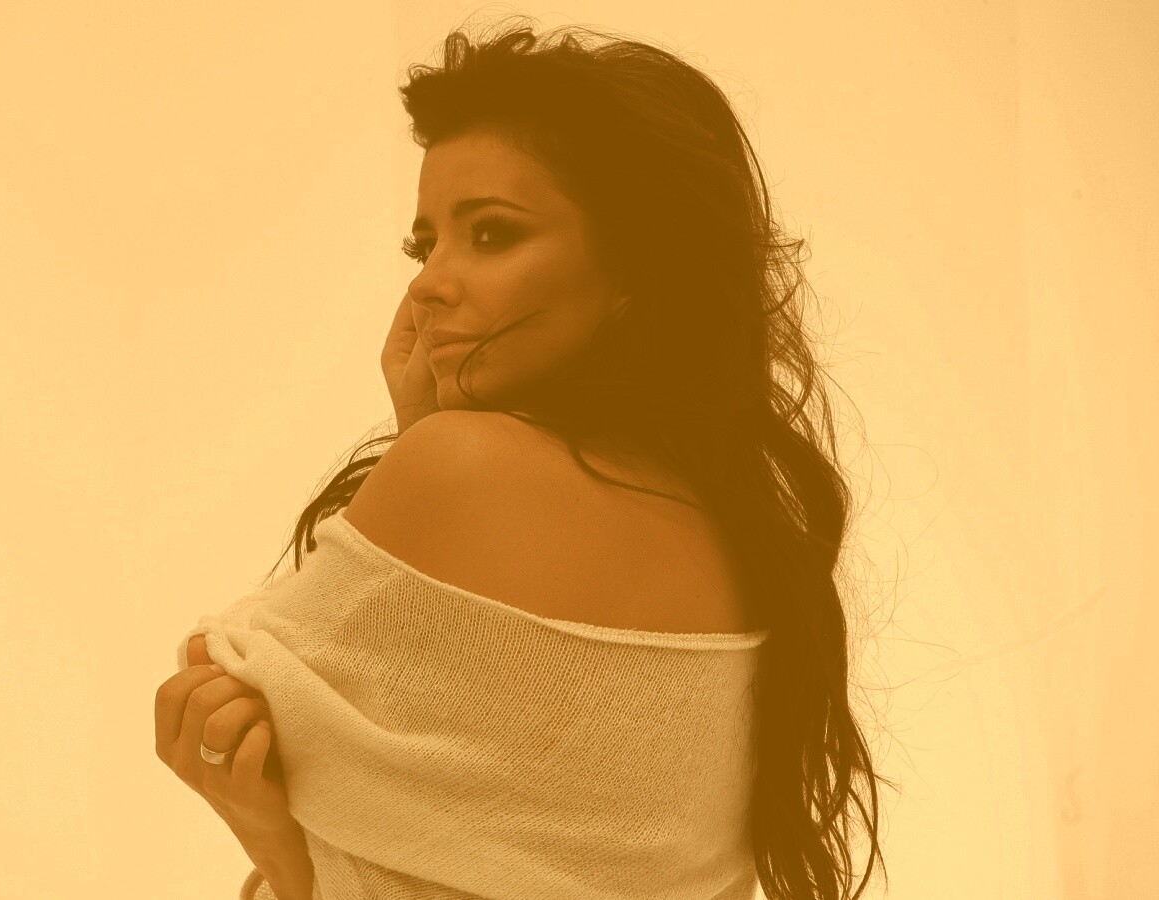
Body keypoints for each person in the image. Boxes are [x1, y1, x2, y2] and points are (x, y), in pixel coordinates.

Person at [159, 14, 893, 900]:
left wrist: (421, 438)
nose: (429, 283)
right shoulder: (740, 525)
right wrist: (286, 858)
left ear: (634, 267)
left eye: (493, 235)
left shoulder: (458, 467)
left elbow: (211, 677)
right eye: (425, 244)